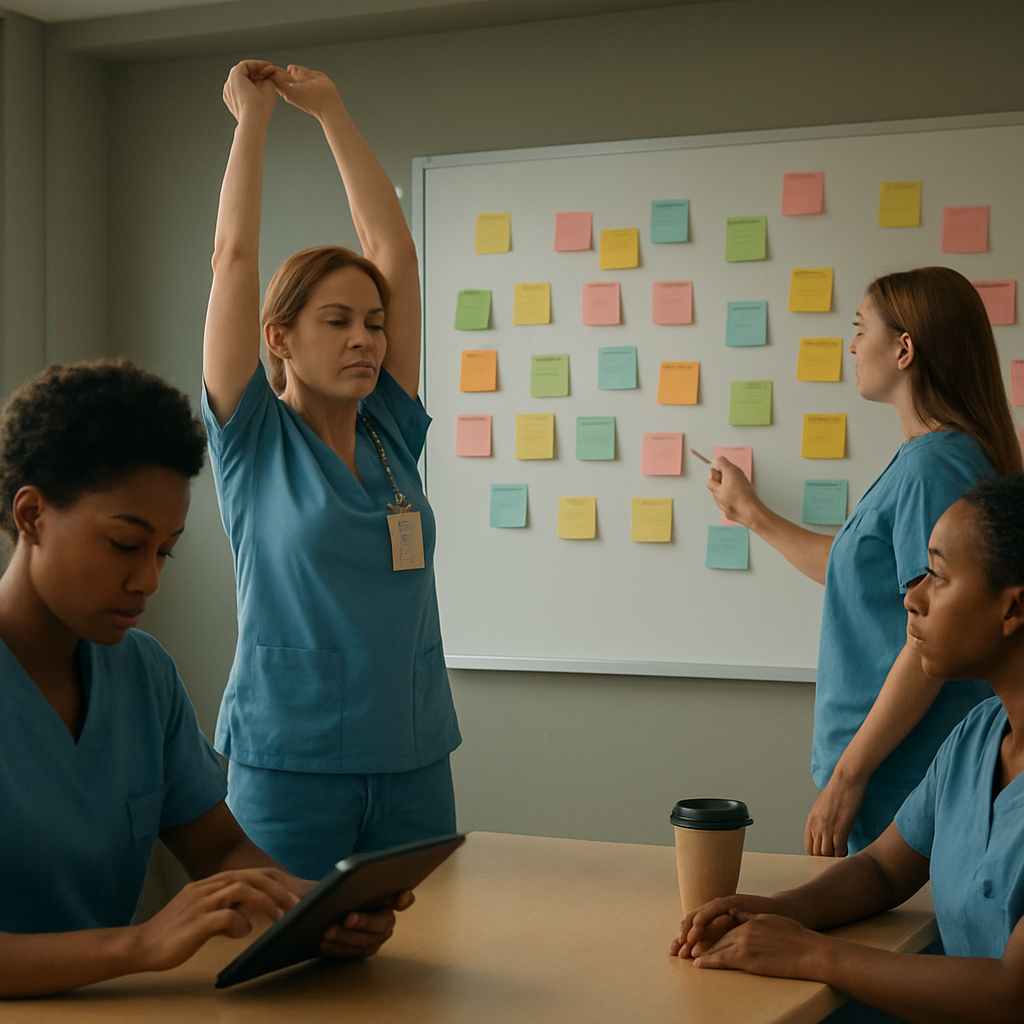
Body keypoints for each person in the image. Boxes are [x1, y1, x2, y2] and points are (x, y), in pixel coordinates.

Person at [0, 360, 407, 998]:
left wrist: (311, 908)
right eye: (124, 544)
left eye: (165, 550)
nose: (149, 581)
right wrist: (139, 943)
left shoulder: (143, 673)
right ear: (32, 516)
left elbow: (218, 850)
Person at [202, 60, 460, 880]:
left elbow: (396, 252)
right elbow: (233, 257)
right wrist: (254, 123)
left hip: (414, 753)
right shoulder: (251, 438)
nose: (365, 339)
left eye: (374, 324)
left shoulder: (390, 425)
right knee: (281, 974)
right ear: (278, 337)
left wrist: (333, 112)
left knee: (417, 972)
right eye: (338, 321)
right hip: (289, 759)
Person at [672, 471, 1024, 1024]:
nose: (912, 597)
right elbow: (885, 868)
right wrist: (778, 911)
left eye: (937, 575)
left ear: (1012, 610)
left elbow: (1011, 994)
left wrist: (813, 953)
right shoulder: (980, 734)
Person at [707, 266, 1021, 856]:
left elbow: (926, 636)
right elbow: (858, 576)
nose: (852, 345)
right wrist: (752, 513)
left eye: (860, 329)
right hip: (890, 767)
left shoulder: (936, 467)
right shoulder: (924, 458)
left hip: (899, 770)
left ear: (904, 348)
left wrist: (851, 773)